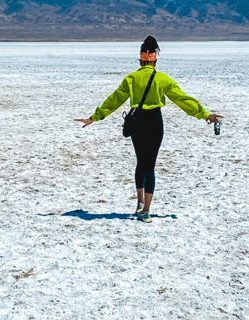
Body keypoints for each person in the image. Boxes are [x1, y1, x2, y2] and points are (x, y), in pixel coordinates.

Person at [74, 36, 222, 223]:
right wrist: (205, 115)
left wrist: (94, 117)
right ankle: (146, 210)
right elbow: (182, 100)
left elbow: (114, 100)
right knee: (149, 166)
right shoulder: (162, 79)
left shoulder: (132, 78)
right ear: (155, 60)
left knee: (140, 162)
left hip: (137, 122)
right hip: (154, 123)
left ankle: (139, 201)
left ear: (140, 60)